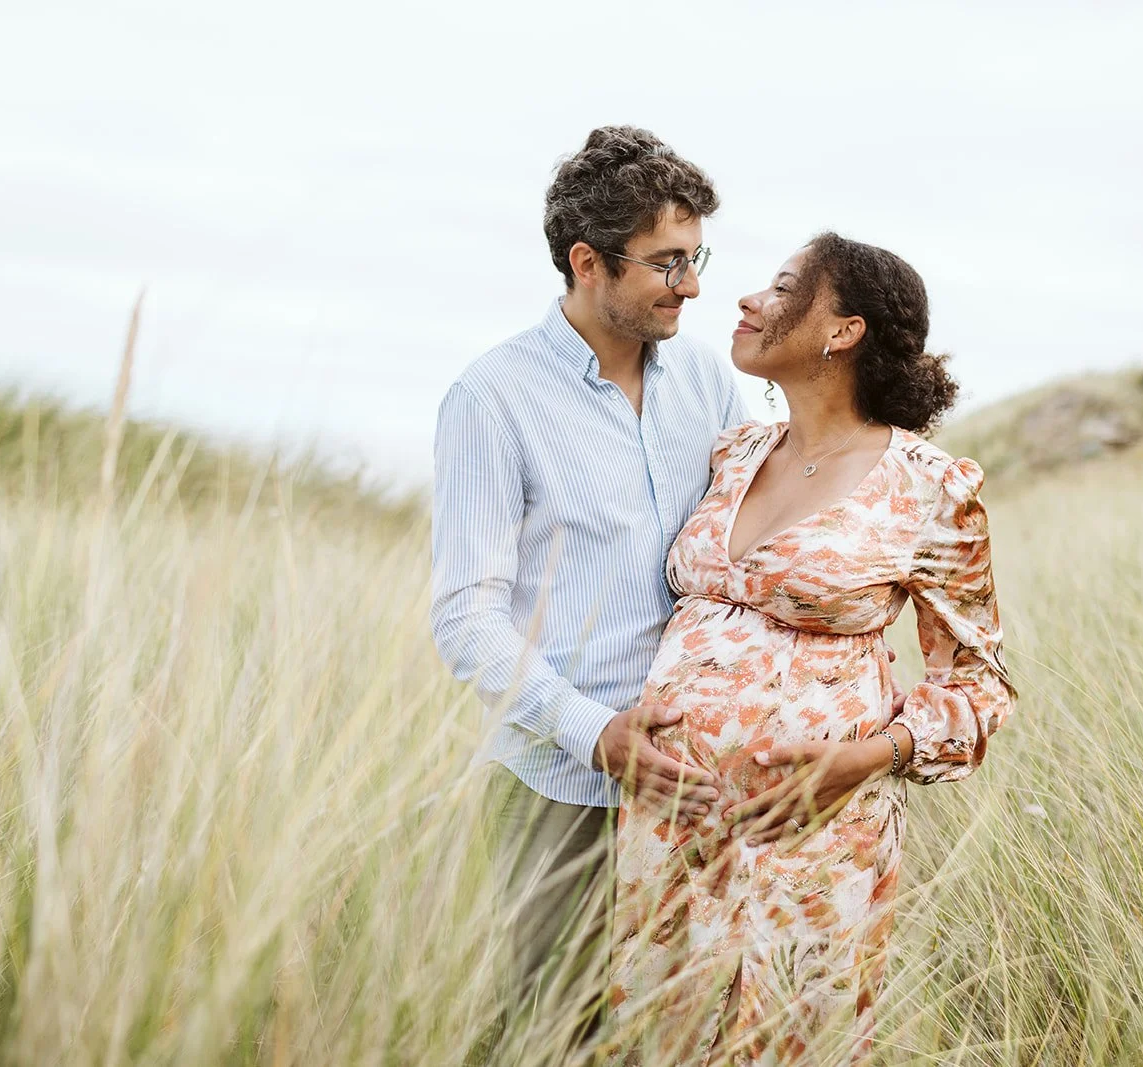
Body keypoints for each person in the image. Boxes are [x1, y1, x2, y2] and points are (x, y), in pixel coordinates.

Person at [607, 232, 1016, 1065]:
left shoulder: (928, 487)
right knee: (655, 1040)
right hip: (671, 821)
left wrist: (869, 756)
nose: (749, 299)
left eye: (785, 286)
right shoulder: (732, 455)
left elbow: (978, 682)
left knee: (793, 1041)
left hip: (813, 832)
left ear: (842, 331)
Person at [428, 126, 743, 1035]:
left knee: (685, 1031)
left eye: (697, 256)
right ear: (587, 261)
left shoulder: (706, 382)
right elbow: (465, 619)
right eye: (668, 262)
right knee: (550, 1030)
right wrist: (593, 730)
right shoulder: (491, 399)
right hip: (560, 788)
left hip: (697, 777)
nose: (692, 284)